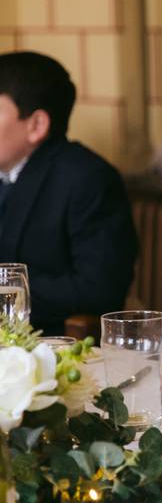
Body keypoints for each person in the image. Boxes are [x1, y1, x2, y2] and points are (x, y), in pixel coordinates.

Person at [0, 51, 137, 335]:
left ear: (36, 125)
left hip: (48, 344)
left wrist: (8, 288)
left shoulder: (89, 179)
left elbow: (98, 290)